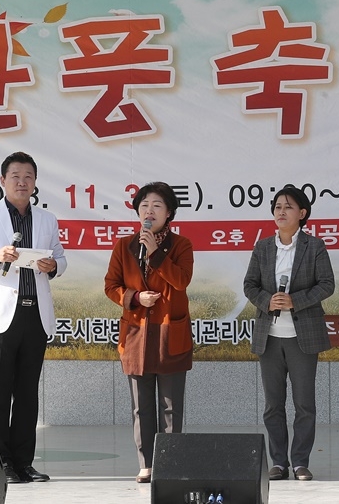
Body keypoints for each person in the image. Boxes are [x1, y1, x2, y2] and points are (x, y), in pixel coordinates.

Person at [0, 152, 67, 484]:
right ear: (2, 181)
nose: (22, 182)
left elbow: (61, 258)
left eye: (28, 177)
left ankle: (23, 463)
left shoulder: (47, 219)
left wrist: (54, 266)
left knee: (27, 394)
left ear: (35, 183)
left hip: (35, 314)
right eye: (15, 176)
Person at [244, 186, 335, 482]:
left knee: (304, 404)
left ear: (302, 213)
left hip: (302, 337)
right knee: (273, 405)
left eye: (288, 207)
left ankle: (300, 462)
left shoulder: (314, 246)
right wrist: (266, 301)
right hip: (269, 336)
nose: (281, 212)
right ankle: (278, 462)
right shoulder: (263, 247)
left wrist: (295, 300)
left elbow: (326, 284)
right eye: (277, 207)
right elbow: (250, 285)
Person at [104, 182, 194, 483]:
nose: (149, 211)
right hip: (136, 335)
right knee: (141, 407)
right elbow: (111, 286)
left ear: (169, 213)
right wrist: (134, 297)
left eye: (156, 206)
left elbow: (181, 281)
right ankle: (146, 464)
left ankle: (170, 463)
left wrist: (155, 253)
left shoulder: (182, 246)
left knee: (170, 406)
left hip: (170, 333)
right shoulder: (124, 246)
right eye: (144, 206)